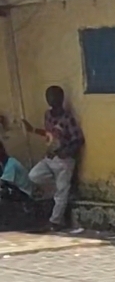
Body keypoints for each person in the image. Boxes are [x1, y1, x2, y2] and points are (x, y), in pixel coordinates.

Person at [24, 86, 84, 230]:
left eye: (54, 97)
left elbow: (78, 140)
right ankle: (61, 190)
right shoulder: (48, 115)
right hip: (50, 157)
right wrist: (33, 130)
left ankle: (55, 222)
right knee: (33, 176)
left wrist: (66, 152)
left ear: (61, 99)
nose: (51, 100)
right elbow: (49, 134)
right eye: (49, 96)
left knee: (61, 192)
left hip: (64, 159)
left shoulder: (68, 118)